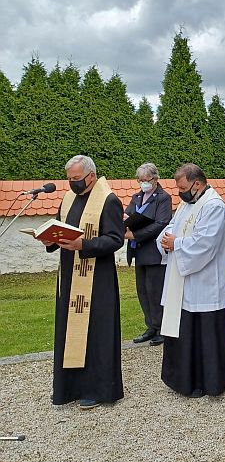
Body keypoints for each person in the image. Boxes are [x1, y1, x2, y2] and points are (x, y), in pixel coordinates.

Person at [40, 155, 125, 409]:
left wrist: (84, 245)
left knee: (96, 333)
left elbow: (115, 239)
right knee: (70, 331)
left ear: (91, 176)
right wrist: (50, 240)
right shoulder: (68, 199)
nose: (71, 184)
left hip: (97, 280)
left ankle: (98, 389)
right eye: (69, 179)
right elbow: (60, 228)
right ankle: (70, 387)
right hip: (69, 276)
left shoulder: (108, 200)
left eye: (76, 179)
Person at [156, 163, 225, 397]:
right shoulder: (187, 204)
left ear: (197, 183)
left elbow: (206, 243)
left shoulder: (214, 207)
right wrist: (165, 238)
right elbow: (173, 227)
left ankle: (210, 381)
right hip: (185, 284)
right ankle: (185, 380)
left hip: (208, 285)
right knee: (185, 330)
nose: (179, 192)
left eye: (182, 187)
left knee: (206, 333)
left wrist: (177, 244)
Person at [125, 163, 173, 346]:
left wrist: (135, 234)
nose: (144, 183)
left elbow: (161, 223)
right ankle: (151, 326)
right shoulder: (136, 197)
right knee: (142, 291)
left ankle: (162, 328)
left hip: (154, 251)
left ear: (156, 178)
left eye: (147, 180)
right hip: (138, 251)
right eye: (141, 180)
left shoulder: (163, 198)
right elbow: (129, 214)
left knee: (156, 291)